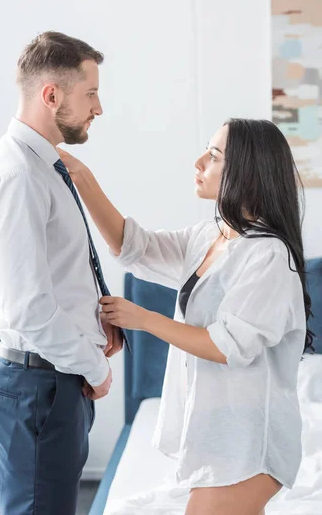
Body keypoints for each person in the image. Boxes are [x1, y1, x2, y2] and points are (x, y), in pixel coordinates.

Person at [58, 118, 314, 515]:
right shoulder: (210, 237)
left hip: (249, 443)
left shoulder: (268, 256)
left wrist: (143, 319)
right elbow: (134, 247)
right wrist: (83, 178)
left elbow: (227, 346)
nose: (198, 162)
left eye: (213, 155)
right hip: (219, 438)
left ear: (245, 171)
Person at [0, 31, 128, 515]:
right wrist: (96, 368)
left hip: (52, 383)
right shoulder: (16, 175)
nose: (99, 108)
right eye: (91, 93)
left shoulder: (45, 168)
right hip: (38, 387)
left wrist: (98, 320)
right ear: (51, 95)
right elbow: (29, 307)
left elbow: (58, 273)